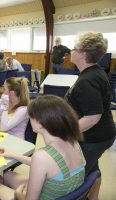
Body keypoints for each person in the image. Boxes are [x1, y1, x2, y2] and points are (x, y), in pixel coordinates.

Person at [0, 95, 86, 199]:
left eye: (31, 117)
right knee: (7, 175)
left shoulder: (42, 156)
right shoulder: (73, 142)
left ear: (41, 124)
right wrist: (12, 154)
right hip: (63, 191)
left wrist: (19, 195)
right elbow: (45, 164)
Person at [65, 31, 116, 200]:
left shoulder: (88, 79)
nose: (71, 51)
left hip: (94, 137)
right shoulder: (95, 71)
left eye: (74, 48)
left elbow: (93, 118)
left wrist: (65, 132)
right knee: (93, 168)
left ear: (82, 54)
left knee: (74, 177)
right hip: (102, 134)